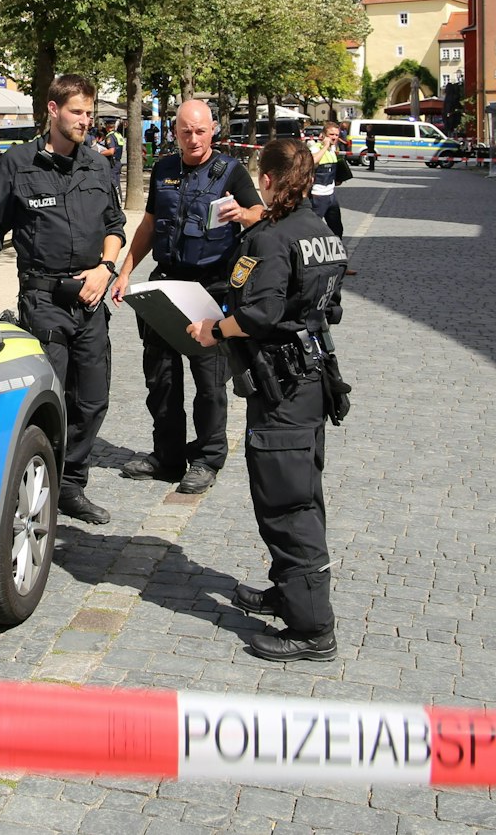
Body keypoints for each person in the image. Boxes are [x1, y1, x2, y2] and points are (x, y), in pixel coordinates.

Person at [187, 138, 348, 662]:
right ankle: (289, 592)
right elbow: (332, 307)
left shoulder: (272, 239)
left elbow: (256, 313)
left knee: (287, 503)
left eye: (262, 176)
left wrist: (215, 328)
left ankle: (312, 629)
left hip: (283, 386)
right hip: (310, 380)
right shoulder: (322, 230)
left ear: (272, 180)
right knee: (300, 491)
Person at [0, 74, 125, 526]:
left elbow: (116, 227)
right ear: (53, 110)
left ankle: (71, 484)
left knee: (93, 399)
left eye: (90, 112)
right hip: (44, 300)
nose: (86, 120)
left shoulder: (98, 166)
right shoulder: (17, 164)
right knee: (50, 399)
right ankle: (38, 486)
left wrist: (106, 268)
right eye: (78, 112)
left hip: (91, 299)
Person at [110, 99, 262, 495]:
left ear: (213, 129)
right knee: (160, 377)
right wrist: (126, 271)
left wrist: (241, 215)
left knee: (209, 382)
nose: (193, 139)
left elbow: (262, 214)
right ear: (174, 132)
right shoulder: (163, 169)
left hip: (210, 288)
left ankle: (208, 458)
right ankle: (168, 456)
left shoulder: (231, 170)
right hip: (165, 285)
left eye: (200, 131)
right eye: (185, 131)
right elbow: (148, 224)